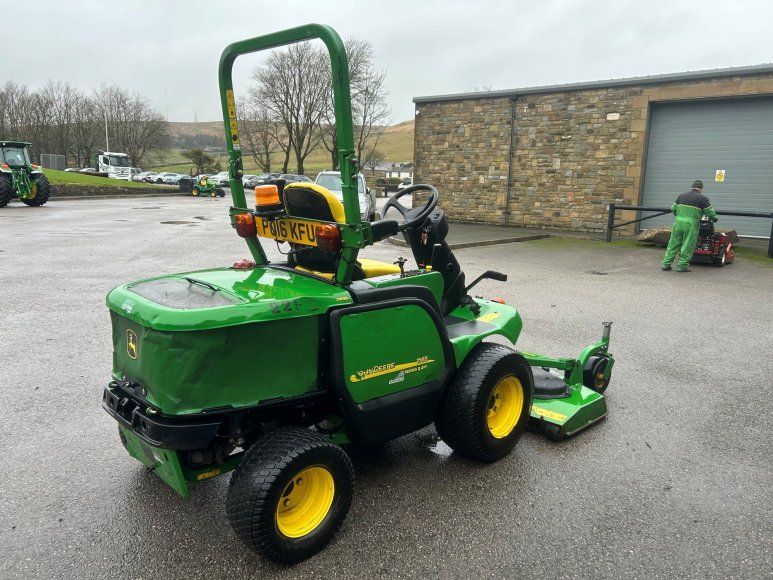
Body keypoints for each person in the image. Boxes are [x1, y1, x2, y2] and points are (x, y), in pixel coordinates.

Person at [661, 179, 718, 272]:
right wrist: (714, 218)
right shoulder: (702, 198)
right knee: (687, 245)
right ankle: (682, 266)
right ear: (701, 188)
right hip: (691, 225)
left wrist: (680, 216)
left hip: (678, 223)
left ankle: (666, 264)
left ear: (692, 187)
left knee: (673, 244)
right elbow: (710, 212)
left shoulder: (681, 196)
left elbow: (673, 209)